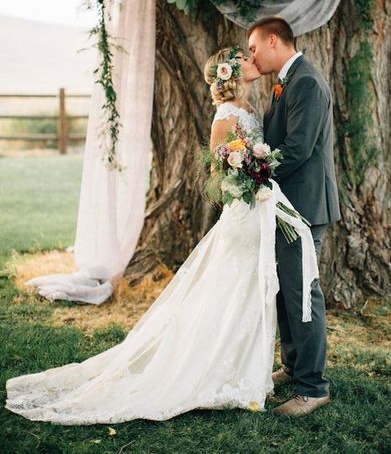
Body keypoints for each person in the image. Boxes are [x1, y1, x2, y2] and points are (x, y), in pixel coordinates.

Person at [5, 46, 317, 424]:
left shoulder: (251, 109)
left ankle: (245, 369)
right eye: (244, 58)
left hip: (259, 213)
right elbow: (220, 177)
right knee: (233, 291)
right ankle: (215, 370)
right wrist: (248, 176)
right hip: (244, 215)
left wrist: (258, 172)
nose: (253, 60)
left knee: (253, 291)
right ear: (232, 73)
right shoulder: (226, 117)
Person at [248, 16, 341, 416]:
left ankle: (313, 388)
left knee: (303, 293)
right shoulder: (286, 82)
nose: (251, 55)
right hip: (288, 205)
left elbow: (298, 148)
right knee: (286, 289)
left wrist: (257, 174)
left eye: (253, 48)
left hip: (304, 206)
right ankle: (293, 365)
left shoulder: (306, 82)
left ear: (273, 40)